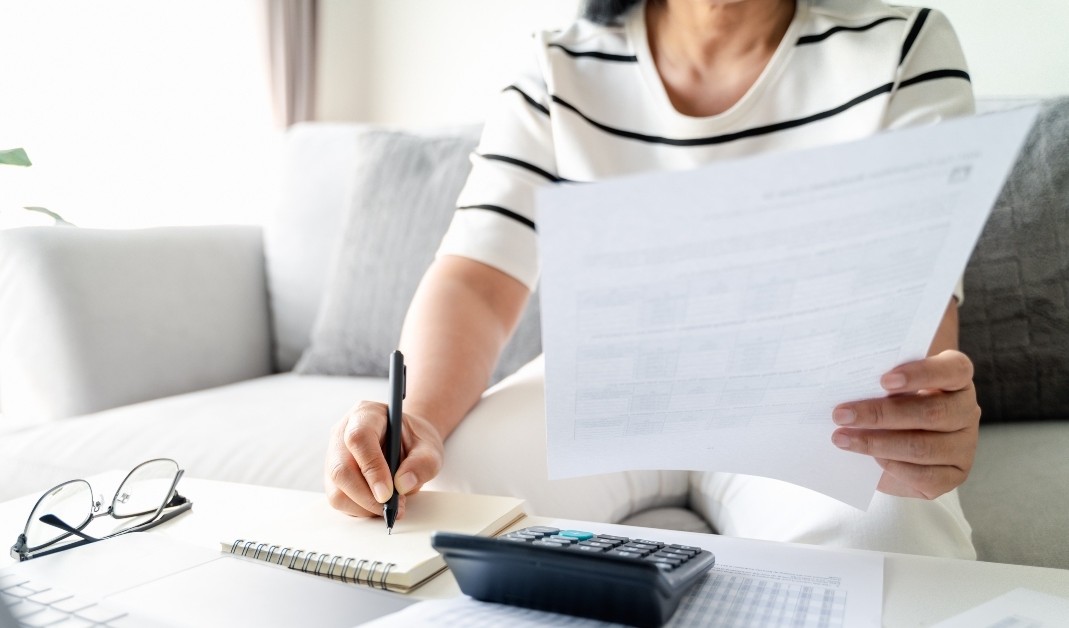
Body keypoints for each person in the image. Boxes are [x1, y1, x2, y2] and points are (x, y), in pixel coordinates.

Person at [325, 0, 980, 559]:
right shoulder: (557, 67)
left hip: (808, 405)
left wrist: (920, 422)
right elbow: (475, 277)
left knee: (892, 520)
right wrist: (419, 421)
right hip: (603, 387)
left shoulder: (904, 44)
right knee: (441, 492)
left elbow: (914, 295)